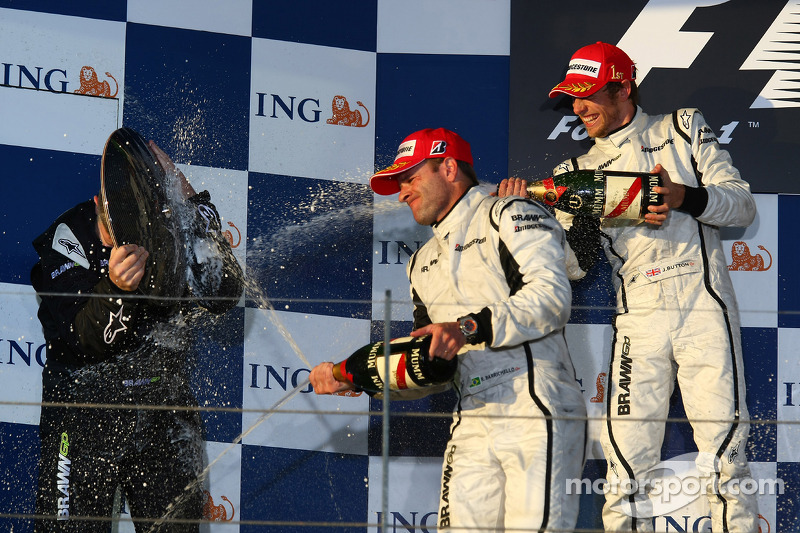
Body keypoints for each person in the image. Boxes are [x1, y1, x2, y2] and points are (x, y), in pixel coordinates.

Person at [501, 41, 759, 532]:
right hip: (636, 314)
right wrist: (527, 219)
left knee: (725, 455)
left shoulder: (681, 128)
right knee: (624, 465)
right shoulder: (574, 173)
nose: (577, 108)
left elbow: (742, 207)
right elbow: (575, 267)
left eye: (587, 94)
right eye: (571, 97)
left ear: (623, 87)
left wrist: (681, 195)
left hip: (702, 302)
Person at [310, 128, 587, 532]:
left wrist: (466, 328)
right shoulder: (421, 262)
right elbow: (432, 365)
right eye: (398, 184)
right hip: (470, 416)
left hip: (536, 402)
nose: (402, 193)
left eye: (410, 178)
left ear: (449, 167)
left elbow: (551, 299)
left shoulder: (507, 212)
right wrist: (362, 377)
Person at [30, 133, 244, 533]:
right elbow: (78, 339)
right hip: (83, 411)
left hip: (162, 404)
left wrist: (191, 200)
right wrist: (116, 289)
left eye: (139, 230)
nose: (131, 242)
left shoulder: (165, 226)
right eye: (117, 230)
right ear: (98, 206)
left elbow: (225, 294)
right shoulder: (68, 239)